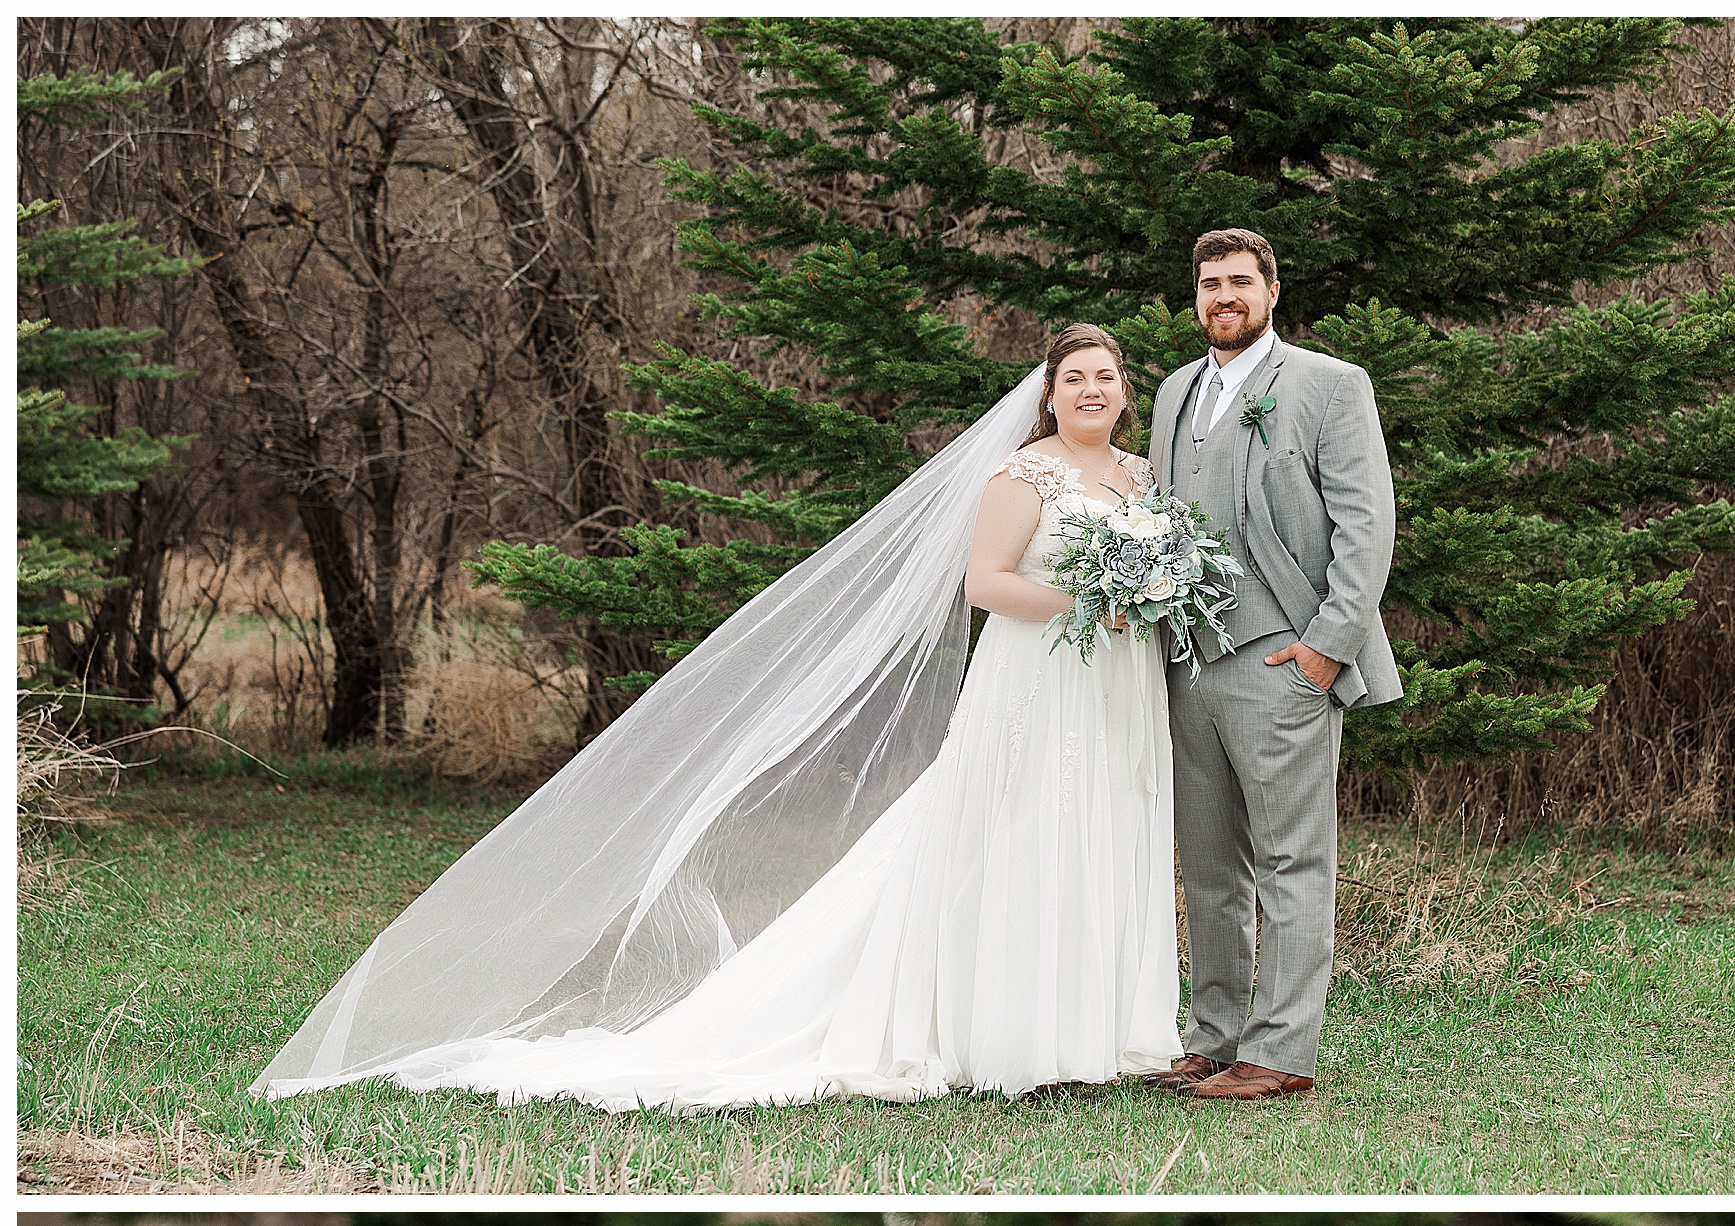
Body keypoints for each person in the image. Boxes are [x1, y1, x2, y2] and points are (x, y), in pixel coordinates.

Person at [254, 327, 1184, 1111]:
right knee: (1022, 836)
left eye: (1105, 378)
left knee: (1101, 831)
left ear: (1123, 391)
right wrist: (1085, 602)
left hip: (1118, 686)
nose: (1092, 391)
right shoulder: (1022, 475)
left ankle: (1098, 1030)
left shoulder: (1141, 478)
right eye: (1075, 379)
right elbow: (983, 584)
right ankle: (1014, 1035)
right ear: (1048, 395)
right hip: (1039, 681)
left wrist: (1143, 599)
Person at [1146, 229, 1403, 1104]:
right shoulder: (1176, 390)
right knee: (1210, 864)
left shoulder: (1331, 385)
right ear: (1196, 298)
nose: (1223, 296)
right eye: (1209, 283)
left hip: (1284, 659)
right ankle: (1213, 1035)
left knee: (1294, 862)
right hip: (1188, 661)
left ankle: (1282, 1050)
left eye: (1239, 282)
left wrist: (1326, 650)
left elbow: (1367, 527)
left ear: (1272, 291)